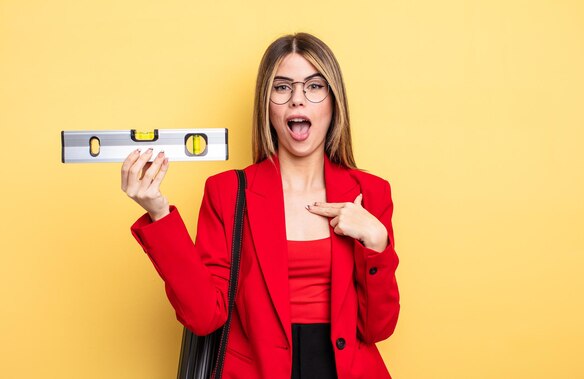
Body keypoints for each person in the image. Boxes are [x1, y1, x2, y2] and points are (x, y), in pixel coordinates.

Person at [121, 33, 400, 379]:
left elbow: (377, 329)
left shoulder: (370, 193)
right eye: (282, 88)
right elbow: (204, 315)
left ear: (333, 101)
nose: (298, 100)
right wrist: (159, 214)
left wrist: (376, 242)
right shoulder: (228, 192)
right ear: (266, 105)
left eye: (314, 87)